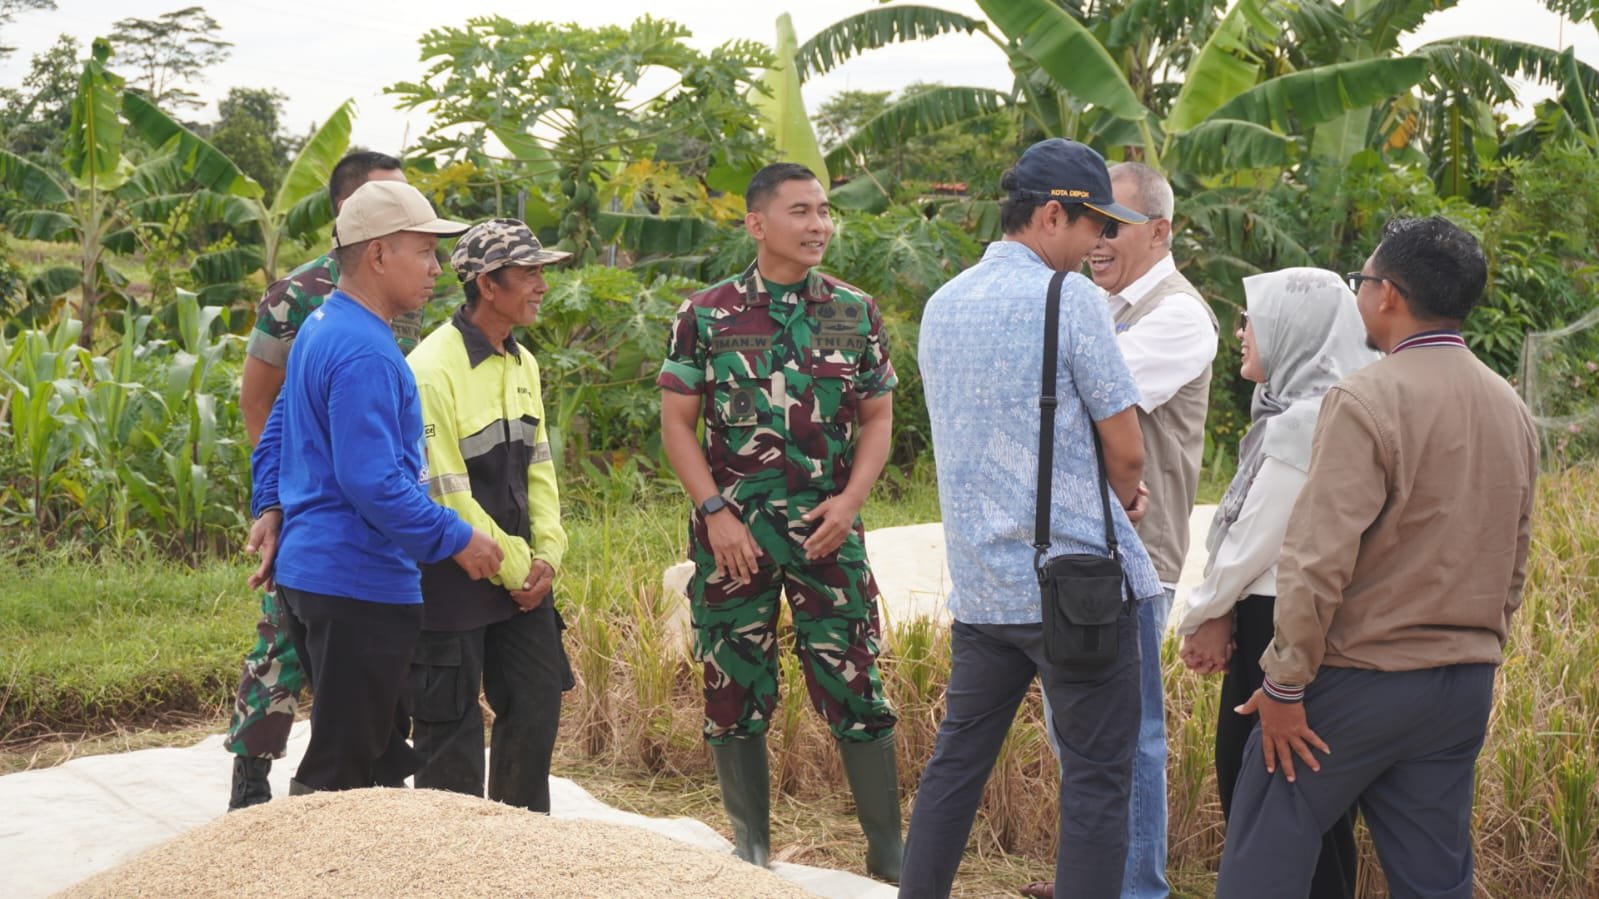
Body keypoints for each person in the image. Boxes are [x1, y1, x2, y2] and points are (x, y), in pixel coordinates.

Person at [1215, 217, 1539, 899]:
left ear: (1386, 294)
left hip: (1360, 679)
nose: (1358, 294)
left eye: (1360, 281)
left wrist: (1283, 681)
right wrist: (1477, 642)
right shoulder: (1508, 404)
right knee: (1433, 876)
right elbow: (1514, 554)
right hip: (1462, 682)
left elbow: (1315, 555)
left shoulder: (1367, 397)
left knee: (1264, 846)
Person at [902, 138, 1162, 899]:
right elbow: (1126, 447)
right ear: (1052, 215)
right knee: (1096, 779)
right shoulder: (1067, 298)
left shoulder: (941, 303)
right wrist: (1121, 491)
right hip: (1073, 590)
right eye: (1092, 229)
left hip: (983, 589)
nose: (1098, 246)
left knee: (955, 765)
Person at [657, 162, 903, 881]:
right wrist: (714, 512)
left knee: (858, 685)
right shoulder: (706, 313)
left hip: (830, 534)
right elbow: (677, 421)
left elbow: (878, 415)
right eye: (801, 211)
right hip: (734, 540)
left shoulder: (853, 310)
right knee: (732, 691)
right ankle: (750, 853)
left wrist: (852, 501)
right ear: (757, 223)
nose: (819, 224)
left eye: (824, 211)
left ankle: (888, 854)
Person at [246, 180, 505, 794]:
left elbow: (280, 421)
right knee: (342, 767)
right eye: (424, 252)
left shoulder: (323, 324)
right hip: (357, 583)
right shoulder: (366, 351)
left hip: (313, 576)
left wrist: (271, 501)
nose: (437, 270)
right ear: (379, 254)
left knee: (374, 751)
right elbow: (374, 482)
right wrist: (457, 537)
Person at [1024, 161, 1219, 899]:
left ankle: (1135, 889)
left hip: (1136, 557)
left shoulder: (1176, 314)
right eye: (1091, 221)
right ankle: (1092, 877)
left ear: (1160, 230)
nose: (1097, 238)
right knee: (1076, 730)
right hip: (1079, 554)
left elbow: (1080, 398)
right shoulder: (1092, 303)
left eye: (1114, 223)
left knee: (1130, 737)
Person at [1177, 268, 1379, 899]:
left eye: (1251, 320)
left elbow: (1256, 539)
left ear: (1297, 330)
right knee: (1310, 810)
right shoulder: (1325, 403)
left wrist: (1204, 611)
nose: (1241, 333)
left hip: (1278, 624)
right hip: (1315, 624)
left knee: (1266, 801)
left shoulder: (1305, 419)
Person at [225, 150, 409, 810]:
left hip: (386, 503)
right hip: (315, 505)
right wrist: (275, 501)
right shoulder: (298, 297)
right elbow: (260, 403)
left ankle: (370, 786)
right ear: (349, 212)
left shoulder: (413, 282)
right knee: (281, 638)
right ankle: (251, 779)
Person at [404, 219, 574, 812]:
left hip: (522, 577)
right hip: (454, 574)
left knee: (536, 705)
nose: (541, 286)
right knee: (448, 731)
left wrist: (548, 555)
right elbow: (444, 489)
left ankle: (519, 849)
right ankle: (453, 864)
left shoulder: (522, 362)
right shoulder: (431, 368)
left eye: (541, 272)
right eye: (528, 273)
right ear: (486, 283)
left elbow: (541, 470)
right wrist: (517, 565)